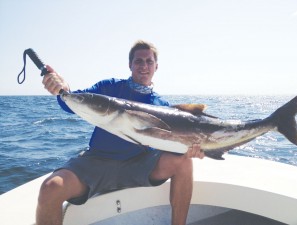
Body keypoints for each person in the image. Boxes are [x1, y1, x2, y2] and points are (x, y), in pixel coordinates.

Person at [37, 40, 204, 225]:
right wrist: (62, 90)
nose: (144, 66)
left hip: (139, 164)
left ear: (156, 66)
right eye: (138, 61)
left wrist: (192, 148)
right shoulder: (109, 87)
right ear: (130, 65)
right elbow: (72, 104)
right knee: (50, 188)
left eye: (149, 61)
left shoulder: (161, 106)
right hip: (97, 161)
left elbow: (170, 144)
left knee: (184, 162)